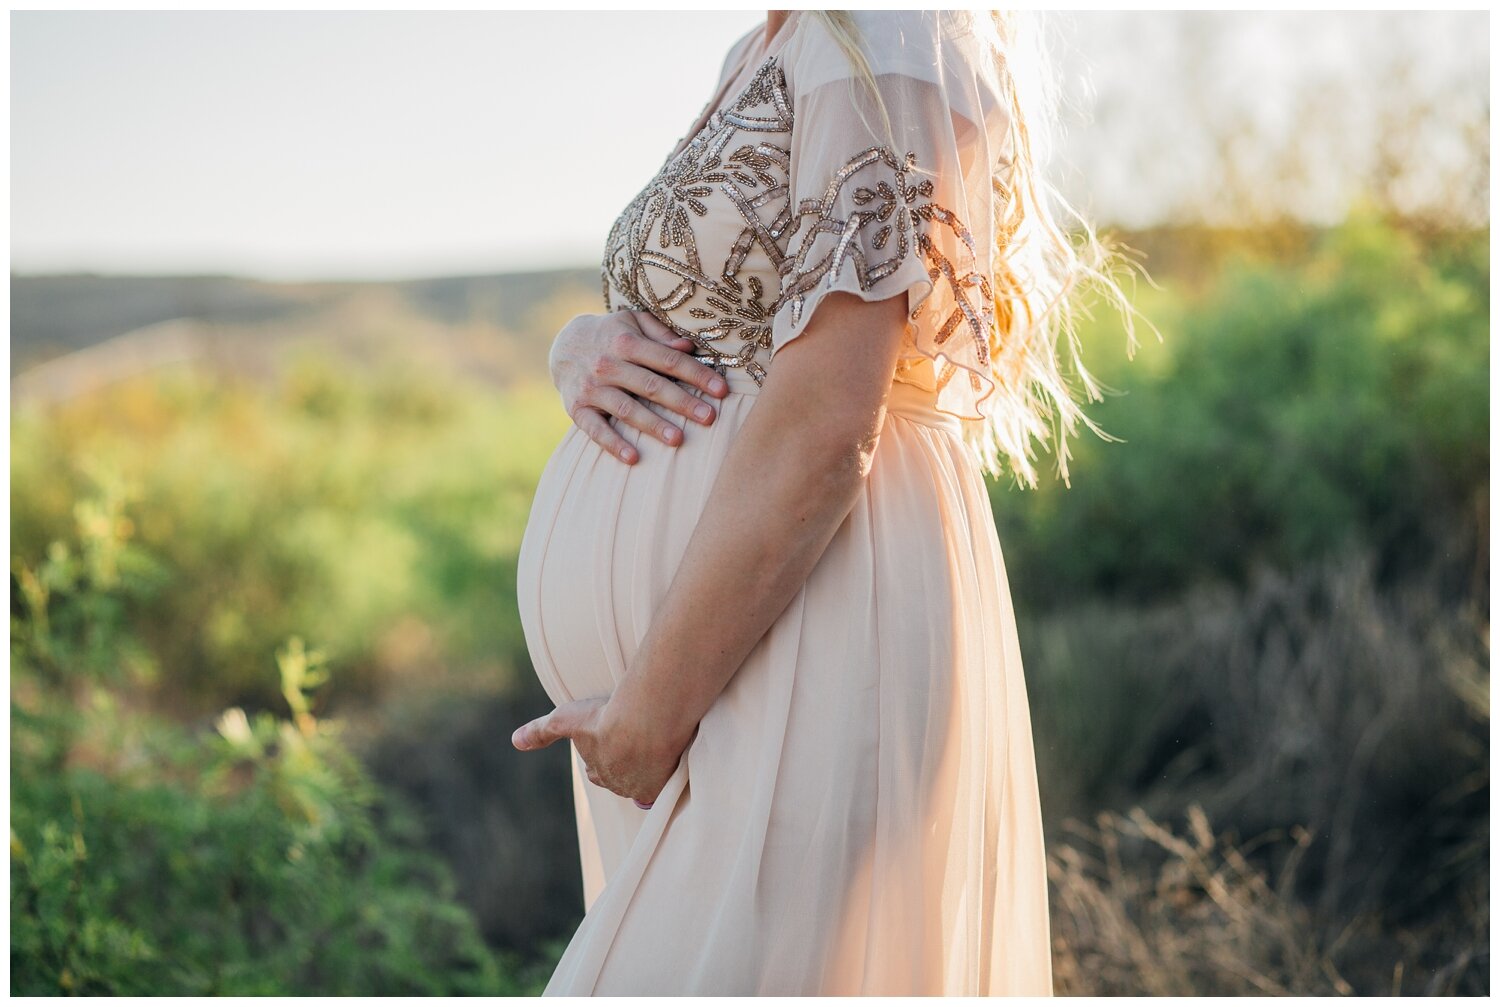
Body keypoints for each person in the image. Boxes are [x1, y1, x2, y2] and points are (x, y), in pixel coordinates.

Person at [512, 8, 1138, 995]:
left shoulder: (885, 29)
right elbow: (724, 297)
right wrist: (581, 344)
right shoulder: (764, 44)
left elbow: (824, 423)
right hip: (708, 678)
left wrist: (654, 705)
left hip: (795, 638)